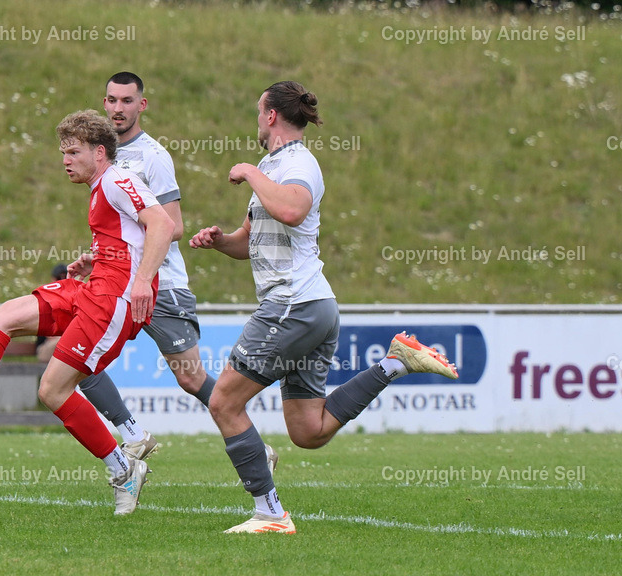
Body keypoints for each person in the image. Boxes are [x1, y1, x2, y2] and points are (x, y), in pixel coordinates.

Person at [189, 81, 458, 533]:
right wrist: (220, 243)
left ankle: (270, 515)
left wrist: (250, 175)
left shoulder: (298, 163)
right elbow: (251, 240)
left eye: (259, 111)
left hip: (292, 305)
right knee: (308, 432)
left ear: (272, 115)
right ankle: (394, 364)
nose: (256, 119)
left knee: (223, 403)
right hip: (313, 307)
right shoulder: (273, 164)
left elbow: (293, 210)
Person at [0, 109, 175, 514]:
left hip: (115, 301)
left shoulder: (118, 179)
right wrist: (96, 259)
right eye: (62, 152)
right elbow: (130, 237)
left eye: (73, 151)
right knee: (3, 316)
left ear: (100, 152)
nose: (65, 160)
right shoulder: (102, 185)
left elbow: (162, 225)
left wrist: (141, 281)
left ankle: (122, 470)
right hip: (97, 287)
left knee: (52, 390)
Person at [74, 71, 277, 470]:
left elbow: (174, 224)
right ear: (104, 103)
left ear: (141, 105)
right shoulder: (102, 156)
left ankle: (256, 447)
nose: (118, 108)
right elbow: (118, 225)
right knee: (76, 358)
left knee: (190, 378)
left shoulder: (153, 156)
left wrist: (143, 276)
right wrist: (98, 258)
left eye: (127, 101)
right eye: (112, 100)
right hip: (116, 283)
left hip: (160, 285)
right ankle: (133, 436)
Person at [34, 263, 68, 363]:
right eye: (59, 278)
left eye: (65, 278)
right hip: (46, 348)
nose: (62, 281)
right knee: (67, 343)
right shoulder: (46, 297)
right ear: (53, 279)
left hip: (63, 349)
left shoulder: (73, 298)